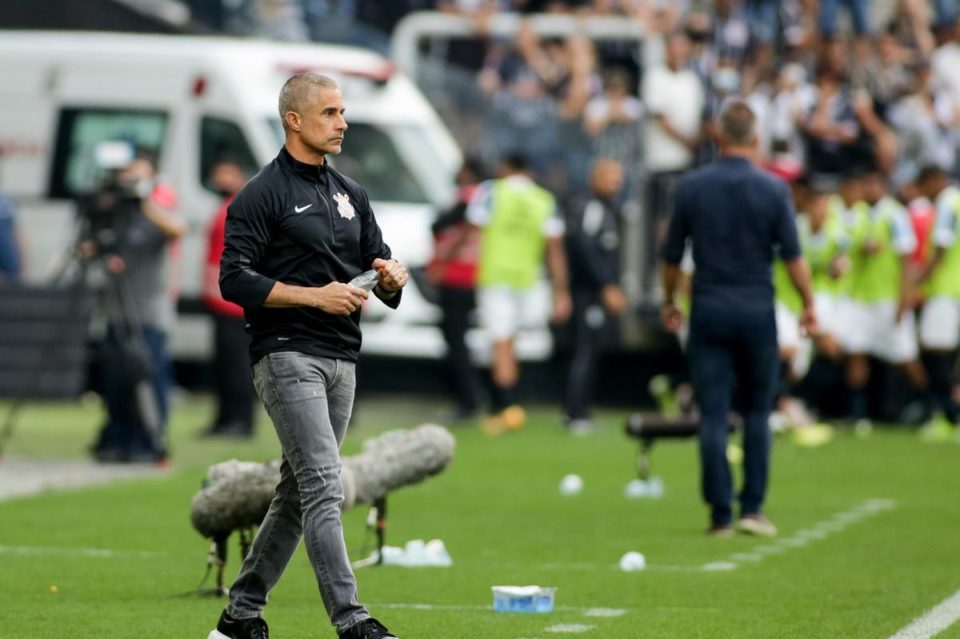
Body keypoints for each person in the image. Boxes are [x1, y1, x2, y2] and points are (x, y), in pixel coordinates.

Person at [210, 72, 405, 639]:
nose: (342, 123)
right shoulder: (260, 193)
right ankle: (352, 619)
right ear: (294, 120)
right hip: (286, 352)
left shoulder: (351, 193)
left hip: (343, 357)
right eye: (330, 113)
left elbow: (380, 269)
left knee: (298, 492)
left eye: (342, 113)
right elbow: (234, 280)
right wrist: (314, 297)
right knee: (324, 483)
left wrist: (392, 278)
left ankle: (239, 616)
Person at [660, 101, 816, 537]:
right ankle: (752, 508)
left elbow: (671, 255)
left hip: (708, 309)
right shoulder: (773, 190)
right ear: (756, 138)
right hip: (756, 311)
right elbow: (793, 256)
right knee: (757, 412)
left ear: (718, 137)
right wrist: (808, 304)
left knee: (712, 415)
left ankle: (719, 516)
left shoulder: (692, 187)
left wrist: (669, 299)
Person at [88, 149, 185, 463]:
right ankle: (117, 438)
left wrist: (143, 201)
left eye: (138, 176)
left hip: (148, 312)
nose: (131, 182)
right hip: (117, 309)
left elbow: (176, 228)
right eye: (128, 176)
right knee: (116, 377)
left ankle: (149, 440)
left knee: (149, 374)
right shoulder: (118, 210)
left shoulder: (158, 205)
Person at [466, 152, 571, 435]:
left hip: (496, 277)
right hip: (530, 280)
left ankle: (507, 408)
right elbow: (555, 250)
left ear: (504, 167)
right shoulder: (544, 199)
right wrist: (562, 290)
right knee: (510, 343)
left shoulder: (490, 191)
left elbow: (472, 229)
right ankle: (510, 403)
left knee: (500, 342)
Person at [562, 157, 627, 433]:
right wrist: (606, 285)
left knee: (590, 348)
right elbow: (583, 247)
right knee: (585, 349)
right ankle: (576, 413)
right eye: (609, 177)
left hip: (592, 291)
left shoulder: (606, 208)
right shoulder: (591, 207)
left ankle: (581, 410)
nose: (615, 184)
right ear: (594, 178)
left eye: (618, 178)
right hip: (586, 291)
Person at [427, 159, 485, 422]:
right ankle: (468, 399)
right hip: (461, 277)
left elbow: (456, 229)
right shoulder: (473, 198)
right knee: (455, 340)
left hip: (458, 277)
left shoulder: (471, 198)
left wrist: (442, 262)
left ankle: (469, 402)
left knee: (456, 342)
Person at [202, 159, 256, 437]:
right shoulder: (226, 207)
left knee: (237, 366)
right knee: (224, 365)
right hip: (219, 299)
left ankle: (240, 421)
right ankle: (224, 419)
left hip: (234, 302)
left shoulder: (241, 208)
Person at [915, 164, 960, 440]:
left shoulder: (946, 203)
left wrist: (919, 282)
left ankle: (949, 418)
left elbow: (941, 246)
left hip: (945, 288)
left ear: (934, 180)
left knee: (936, 349)